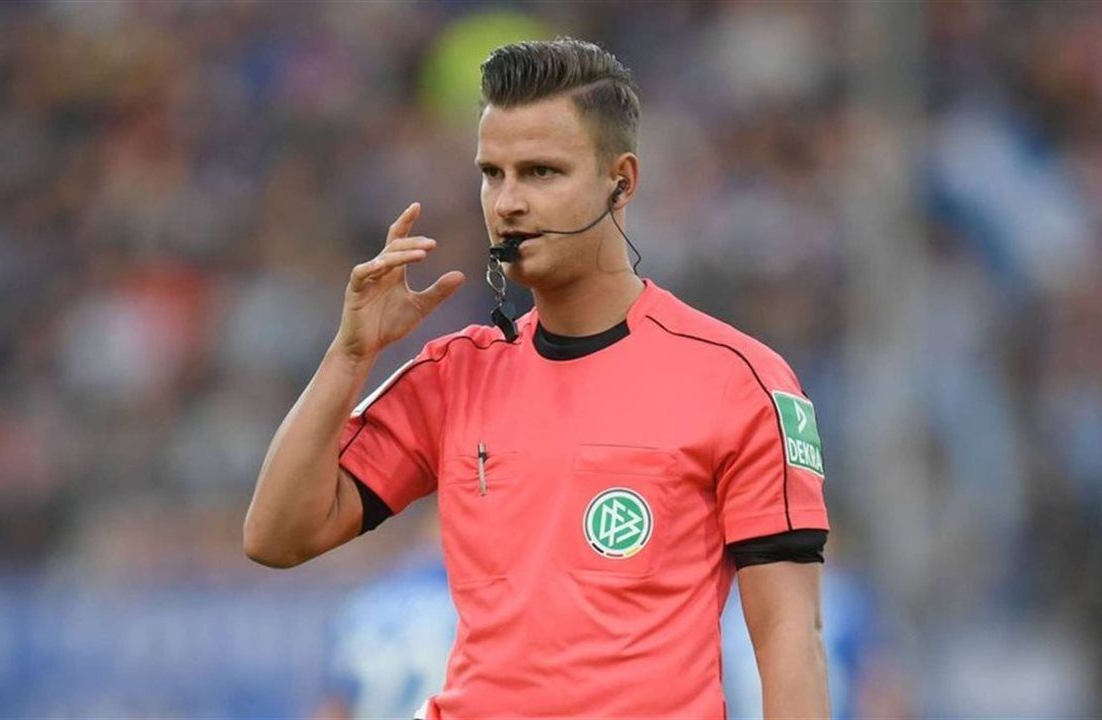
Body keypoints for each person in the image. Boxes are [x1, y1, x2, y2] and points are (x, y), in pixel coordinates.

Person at [244, 38, 832, 719]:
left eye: (541, 172)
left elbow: (789, 639)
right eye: (492, 174)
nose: (508, 202)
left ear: (621, 181)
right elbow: (276, 537)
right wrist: (350, 355)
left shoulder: (739, 381)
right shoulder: (454, 374)